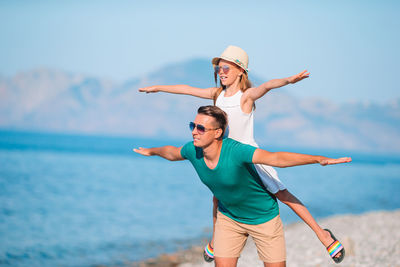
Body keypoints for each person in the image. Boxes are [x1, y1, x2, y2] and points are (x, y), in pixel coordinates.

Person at [139, 45, 345, 263]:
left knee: (283, 195)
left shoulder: (245, 97)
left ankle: (323, 235)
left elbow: (267, 86)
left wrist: (288, 80)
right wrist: (158, 88)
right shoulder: (217, 94)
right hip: (223, 154)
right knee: (219, 197)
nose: (222, 72)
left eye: (226, 67)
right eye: (219, 68)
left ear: (241, 71)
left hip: (249, 157)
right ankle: (215, 240)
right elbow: (186, 89)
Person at [133, 105, 350, 267]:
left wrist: (318, 159)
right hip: (229, 219)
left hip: (263, 219)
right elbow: (171, 152)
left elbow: (275, 158)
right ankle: (215, 241)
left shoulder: (236, 151)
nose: (194, 132)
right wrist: (151, 151)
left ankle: (324, 236)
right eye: (193, 126)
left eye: (200, 128)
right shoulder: (193, 150)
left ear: (217, 133)